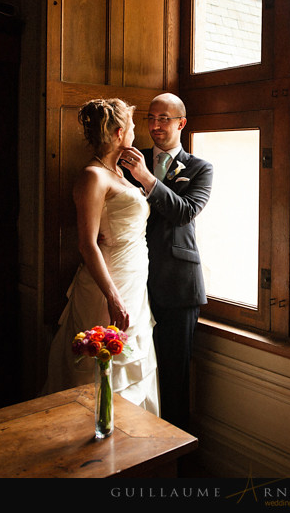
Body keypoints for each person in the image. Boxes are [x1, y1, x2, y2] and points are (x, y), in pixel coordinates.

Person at [44, 98, 160, 417]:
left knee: (133, 358)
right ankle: (97, 427)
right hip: (109, 284)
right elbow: (87, 244)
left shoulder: (120, 173)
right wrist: (113, 297)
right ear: (120, 132)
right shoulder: (93, 176)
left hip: (134, 279)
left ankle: (129, 436)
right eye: (132, 126)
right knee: (100, 367)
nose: (136, 132)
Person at [118, 93, 212, 431]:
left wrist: (147, 177)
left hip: (178, 285)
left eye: (164, 119)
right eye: (151, 118)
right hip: (132, 280)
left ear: (181, 123)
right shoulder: (129, 159)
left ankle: (174, 453)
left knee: (174, 376)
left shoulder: (200, 168)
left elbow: (185, 212)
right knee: (135, 370)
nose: (155, 125)